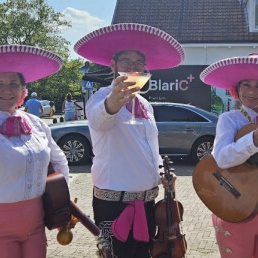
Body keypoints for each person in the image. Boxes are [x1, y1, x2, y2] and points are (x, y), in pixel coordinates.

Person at [74, 23, 185, 258]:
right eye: (126, 62)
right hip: (114, 205)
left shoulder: (145, 105)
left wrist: (161, 175)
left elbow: (149, 149)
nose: (133, 67)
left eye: (138, 63)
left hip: (147, 203)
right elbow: (99, 121)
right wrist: (114, 102)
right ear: (113, 65)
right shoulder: (100, 97)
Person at [0, 44, 69, 258]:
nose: (7, 90)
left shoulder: (37, 124)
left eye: (14, 83)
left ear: (23, 90)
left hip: (36, 223)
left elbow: (59, 161)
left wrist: (62, 203)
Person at [200, 53, 258, 258]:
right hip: (238, 203)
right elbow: (222, 159)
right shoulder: (230, 119)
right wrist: (253, 140)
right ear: (237, 89)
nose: (252, 92)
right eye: (246, 85)